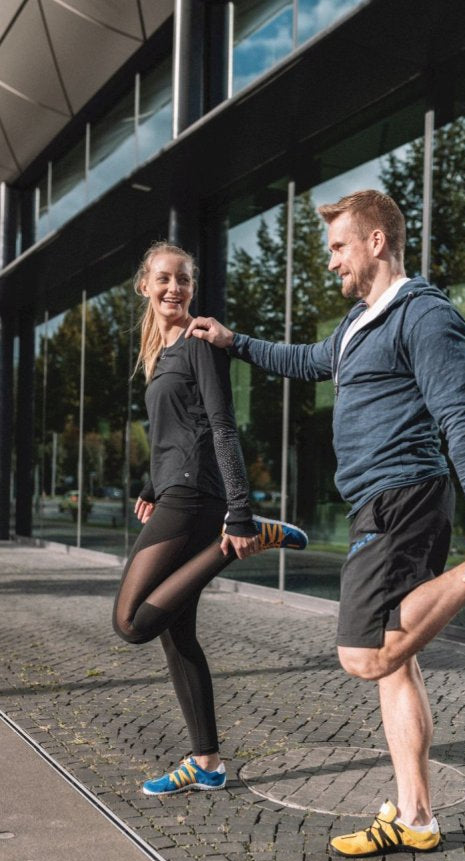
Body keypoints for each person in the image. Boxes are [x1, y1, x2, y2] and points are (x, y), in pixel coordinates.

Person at [185, 190, 465, 857]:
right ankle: (416, 817)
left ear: (375, 241)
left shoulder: (423, 316)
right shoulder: (354, 326)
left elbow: (460, 417)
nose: (331, 262)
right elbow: (306, 360)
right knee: (396, 664)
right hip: (381, 501)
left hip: (400, 499)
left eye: (338, 247)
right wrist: (235, 342)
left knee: (363, 654)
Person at [113, 241, 307, 797]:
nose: (175, 288)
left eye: (183, 280)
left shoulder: (199, 342)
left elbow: (222, 426)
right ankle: (207, 763)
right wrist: (152, 483)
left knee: (131, 623)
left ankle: (239, 543)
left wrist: (239, 513)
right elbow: (175, 429)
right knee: (178, 636)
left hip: (198, 496)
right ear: (145, 286)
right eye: (164, 279)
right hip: (177, 488)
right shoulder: (160, 350)